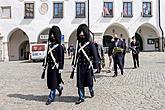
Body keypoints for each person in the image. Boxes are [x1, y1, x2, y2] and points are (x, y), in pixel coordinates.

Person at [71, 24, 98, 104]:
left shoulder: (90, 43)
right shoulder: (78, 43)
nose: (81, 34)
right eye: (80, 33)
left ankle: (91, 90)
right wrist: (73, 64)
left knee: (89, 82)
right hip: (80, 66)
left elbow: (95, 55)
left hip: (88, 66)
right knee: (80, 83)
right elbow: (76, 55)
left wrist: (95, 66)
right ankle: (81, 97)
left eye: (83, 33)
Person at [42, 26, 64, 105]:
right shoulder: (49, 46)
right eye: (51, 34)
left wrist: (61, 67)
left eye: (54, 35)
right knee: (51, 82)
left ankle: (51, 97)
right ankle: (59, 88)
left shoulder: (60, 47)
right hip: (50, 68)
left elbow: (61, 58)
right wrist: (44, 64)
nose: (52, 36)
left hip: (56, 67)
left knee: (53, 83)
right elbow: (47, 57)